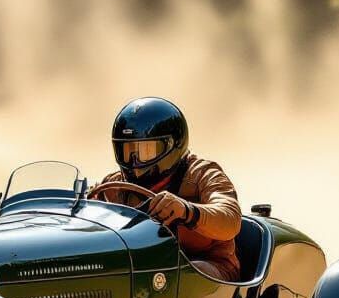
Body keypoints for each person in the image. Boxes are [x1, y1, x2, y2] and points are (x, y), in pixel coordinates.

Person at [101, 97, 242, 282]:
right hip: (142, 271)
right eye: (127, 152)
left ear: (173, 145)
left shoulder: (203, 173)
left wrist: (187, 211)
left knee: (178, 276)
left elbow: (230, 217)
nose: (135, 164)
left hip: (210, 270)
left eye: (146, 151)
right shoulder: (114, 186)